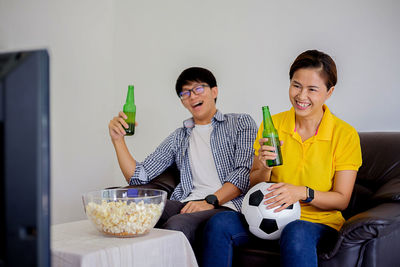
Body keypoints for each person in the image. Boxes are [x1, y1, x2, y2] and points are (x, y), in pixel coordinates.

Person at [202, 50, 362, 267]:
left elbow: (342, 199)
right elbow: (256, 185)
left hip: (315, 223)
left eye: (312, 89)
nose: (301, 96)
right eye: (296, 85)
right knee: (219, 222)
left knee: (295, 231)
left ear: (329, 92)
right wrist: (264, 167)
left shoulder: (345, 134)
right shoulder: (273, 125)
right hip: (268, 216)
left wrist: (302, 193)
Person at [108, 67, 258, 250]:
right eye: (185, 93)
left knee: (177, 226)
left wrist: (209, 201)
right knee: (121, 204)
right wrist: (118, 140)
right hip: (186, 203)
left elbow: (243, 173)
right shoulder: (179, 137)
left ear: (214, 91)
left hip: (227, 207)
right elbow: (138, 176)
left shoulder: (240, 123)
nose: (192, 96)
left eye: (198, 89)